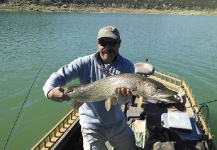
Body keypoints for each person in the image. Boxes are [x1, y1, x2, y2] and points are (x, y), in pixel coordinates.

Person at [43, 25, 136, 150]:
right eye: (103, 43)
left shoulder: (127, 66)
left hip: (117, 124)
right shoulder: (84, 62)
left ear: (118, 44)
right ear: (98, 43)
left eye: (112, 43)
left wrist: (124, 96)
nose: (107, 48)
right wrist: (50, 91)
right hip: (91, 127)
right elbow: (59, 75)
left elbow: (124, 101)